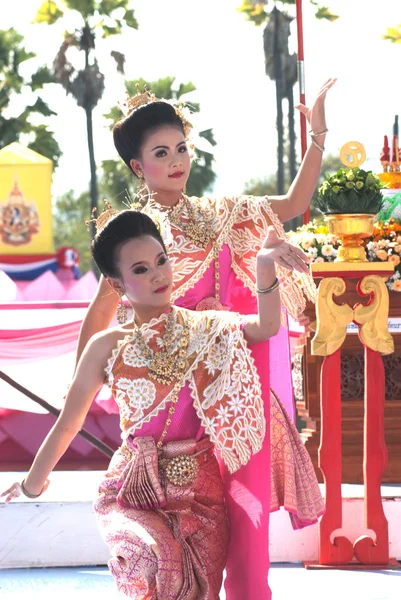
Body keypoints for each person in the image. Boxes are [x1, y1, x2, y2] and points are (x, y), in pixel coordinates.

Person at [1, 209, 323, 599]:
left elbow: (266, 328)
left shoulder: (207, 328)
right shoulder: (106, 347)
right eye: (140, 269)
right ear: (118, 286)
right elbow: (68, 424)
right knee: (153, 557)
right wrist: (30, 485)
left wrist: (264, 265)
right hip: (133, 490)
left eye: (161, 261)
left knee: (198, 590)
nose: (158, 274)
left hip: (202, 497)